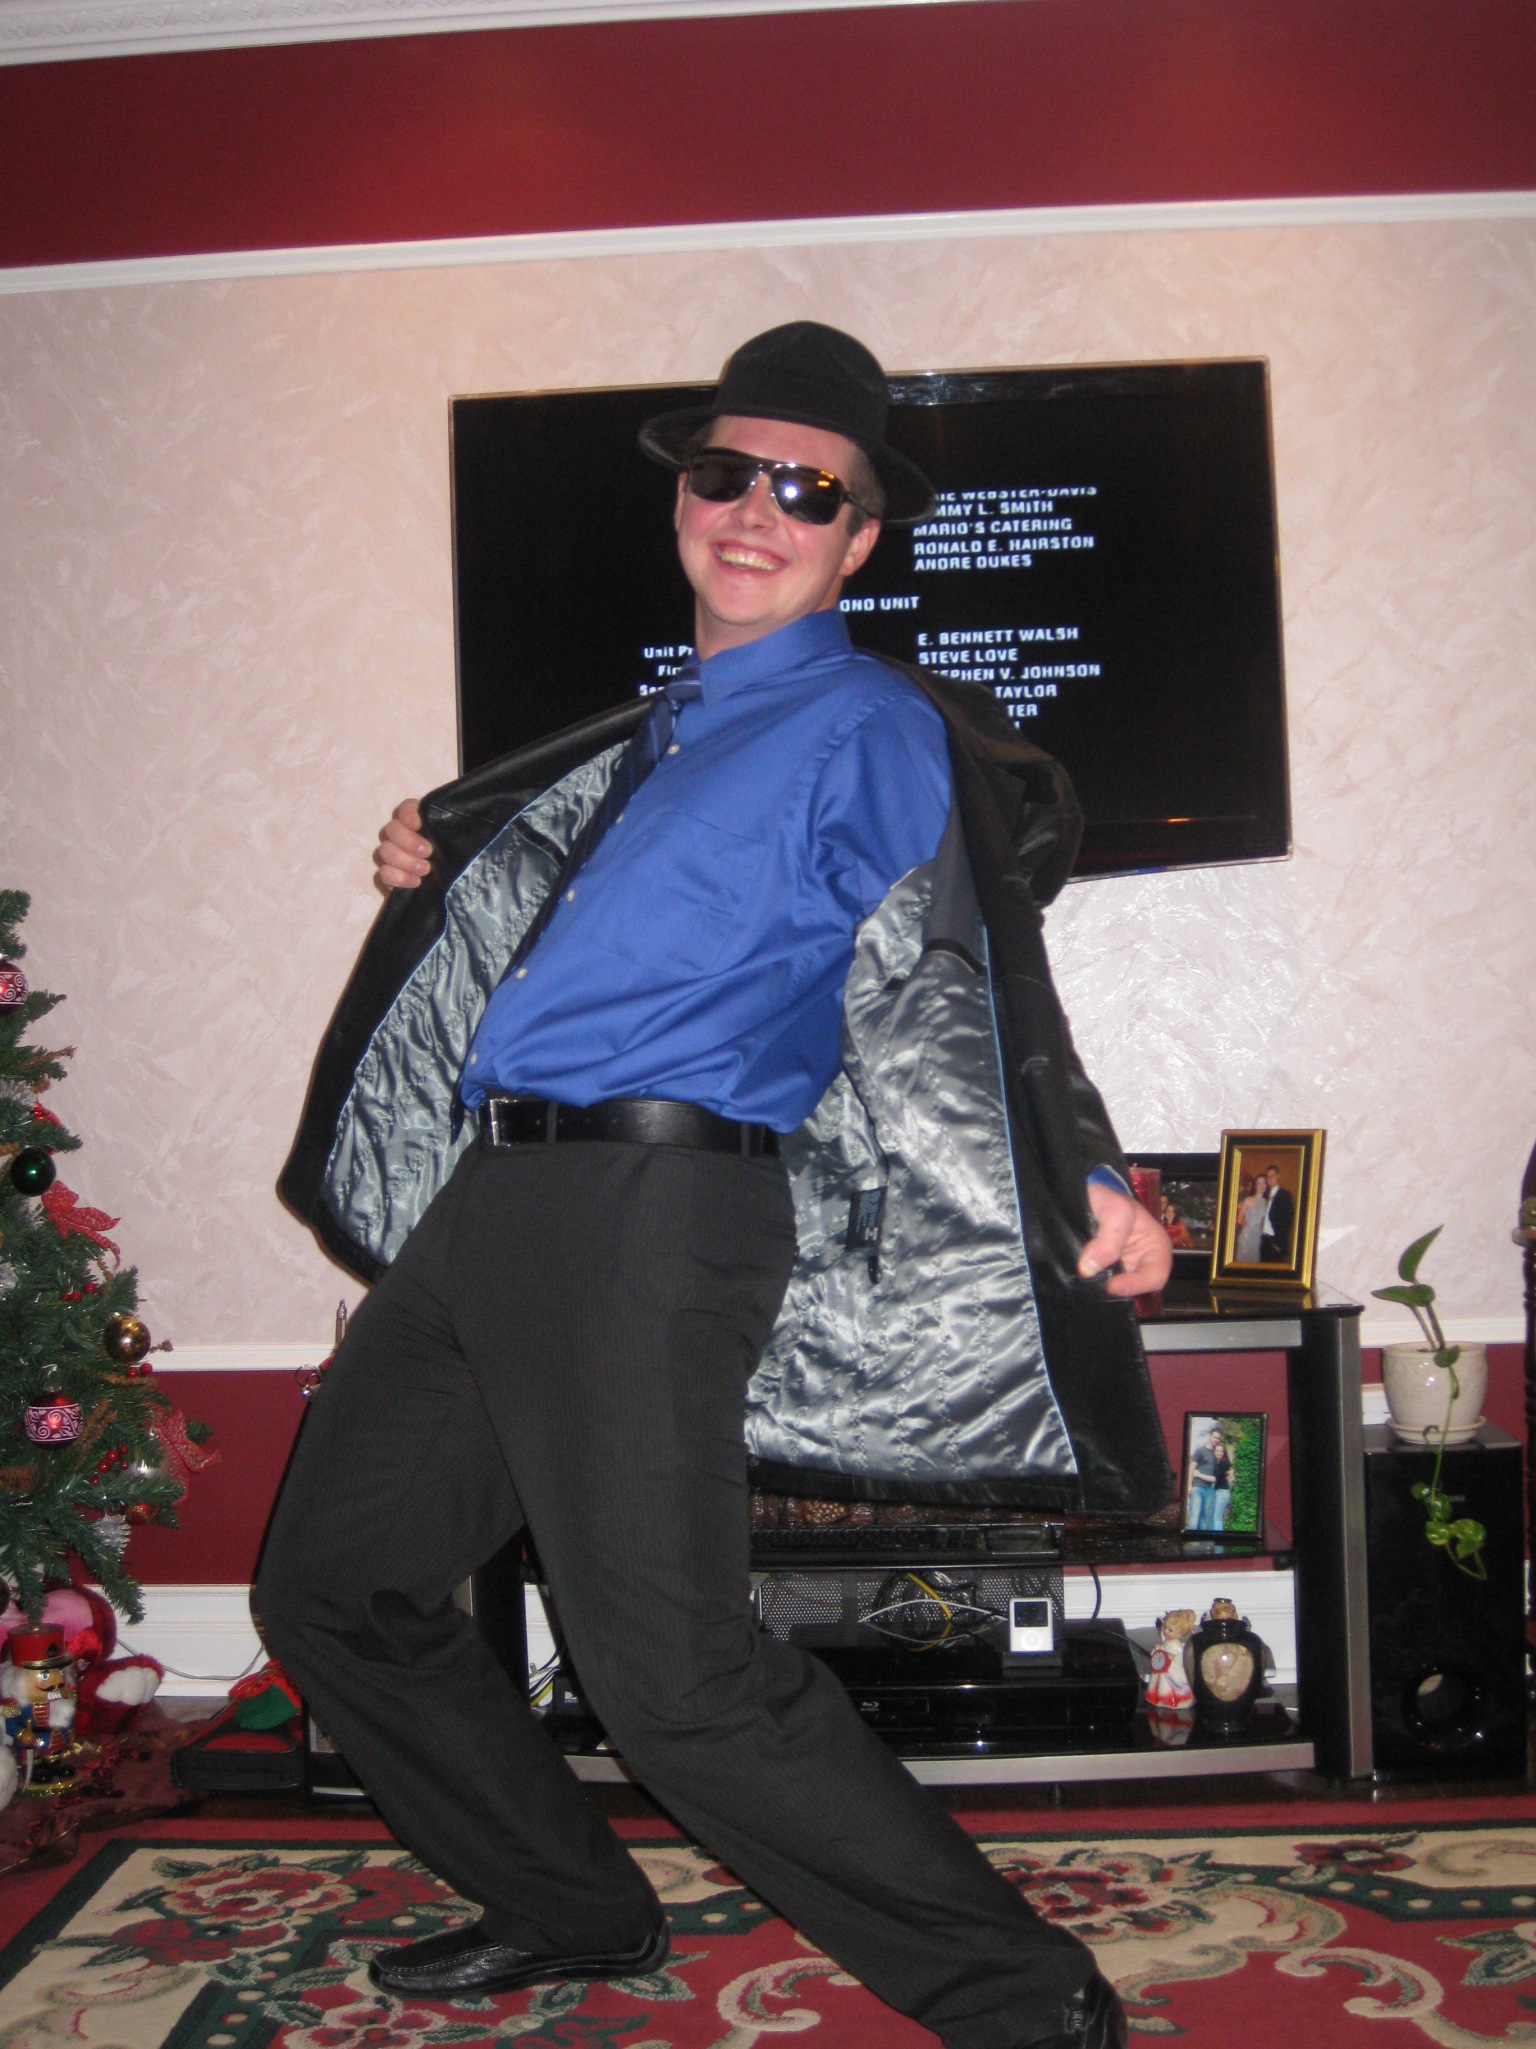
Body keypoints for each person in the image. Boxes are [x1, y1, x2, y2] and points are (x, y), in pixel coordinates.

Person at [265, 323, 1172, 2049]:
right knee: (332, 1581)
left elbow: (965, 962)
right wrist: (443, 857)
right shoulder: (656, 734)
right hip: (490, 1203)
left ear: (859, 539)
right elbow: (534, 909)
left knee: (671, 1675)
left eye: (808, 490)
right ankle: (568, 1900)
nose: (757, 508)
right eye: (725, 473)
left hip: (645, 1213)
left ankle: (1028, 1999)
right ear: (682, 499)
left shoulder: (866, 723)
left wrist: (1085, 1164)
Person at [1186, 1427, 1232, 1531]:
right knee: (1194, 1516)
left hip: (1210, 1490)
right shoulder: (1200, 1450)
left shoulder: (1217, 1452)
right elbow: (1191, 1468)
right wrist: (1189, 1485)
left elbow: (1227, 1464)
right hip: (1198, 1487)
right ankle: (1190, 1539)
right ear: (1210, 1436)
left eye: (1218, 1438)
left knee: (1205, 1519)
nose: (1216, 1440)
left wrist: (1231, 1471)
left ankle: (1202, 1540)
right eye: (1214, 1437)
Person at [1260, 1163, 1295, 1264]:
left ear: (1278, 1176)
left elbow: (1288, 1220)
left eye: (1273, 1175)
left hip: (1275, 1241)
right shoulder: (1264, 1194)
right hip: (1264, 1239)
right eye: (1268, 1176)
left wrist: (1279, 1243)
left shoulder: (1285, 1195)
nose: (1270, 1178)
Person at [1234, 1174, 1267, 1262]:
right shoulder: (1248, 1200)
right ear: (1255, 1186)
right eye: (1259, 1183)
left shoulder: (1265, 1202)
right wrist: (1247, 1225)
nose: (1262, 1186)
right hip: (1247, 1235)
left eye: (1264, 1183)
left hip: (1258, 1237)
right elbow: (1239, 1219)